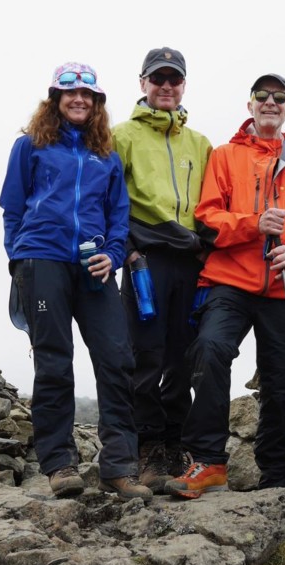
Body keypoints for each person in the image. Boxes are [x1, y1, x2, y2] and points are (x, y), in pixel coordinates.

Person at [164, 73, 285, 499]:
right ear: (250, 106)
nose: (270, 102)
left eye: (280, 97)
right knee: (209, 349)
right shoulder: (224, 155)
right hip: (230, 280)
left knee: (279, 382)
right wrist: (252, 224)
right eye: (262, 96)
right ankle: (209, 462)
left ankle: (276, 471)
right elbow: (207, 218)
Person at [0, 62, 150, 502]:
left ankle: (119, 467)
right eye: (71, 94)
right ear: (56, 99)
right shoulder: (30, 146)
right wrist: (20, 259)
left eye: (88, 94)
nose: (80, 99)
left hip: (95, 268)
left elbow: (118, 219)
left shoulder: (107, 156)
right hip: (41, 262)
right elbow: (12, 206)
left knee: (117, 358)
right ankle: (60, 464)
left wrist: (113, 256)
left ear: (97, 102)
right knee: (53, 360)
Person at [112, 47, 212, 493]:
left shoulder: (201, 144)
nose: (166, 86)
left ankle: (177, 449)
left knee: (183, 357)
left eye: (174, 79)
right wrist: (129, 252)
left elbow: (211, 206)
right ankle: (149, 449)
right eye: (158, 79)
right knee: (145, 355)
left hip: (189, 261)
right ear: (143, 84)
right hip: (144, 260)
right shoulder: (121, 136)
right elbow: (108, 202)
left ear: (184, 85)